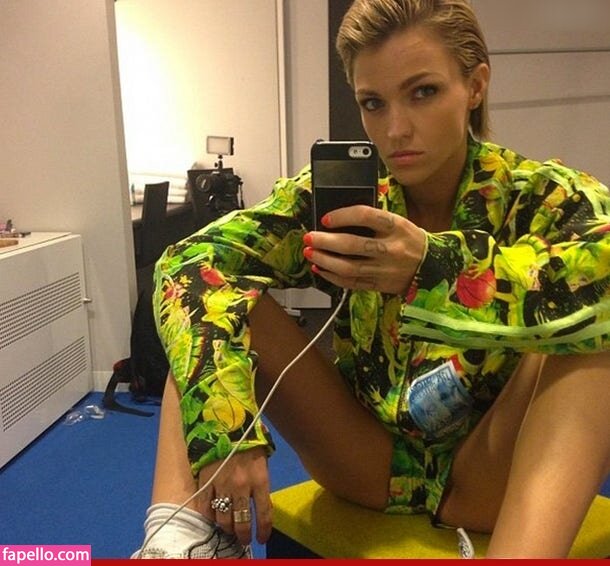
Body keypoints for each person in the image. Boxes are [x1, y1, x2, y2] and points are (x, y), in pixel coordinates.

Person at [132, 0, 610, 559]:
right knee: (212, 306)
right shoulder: (343, 198)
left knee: (594, 334)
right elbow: (186, 263)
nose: (396, 129)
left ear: (475, 86)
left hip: (490, 473)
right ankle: (183, 543)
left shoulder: (542, 197)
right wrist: (224, 430)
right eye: (373, 103)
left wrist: (431, 269)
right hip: (366, 462)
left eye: (423, 92)